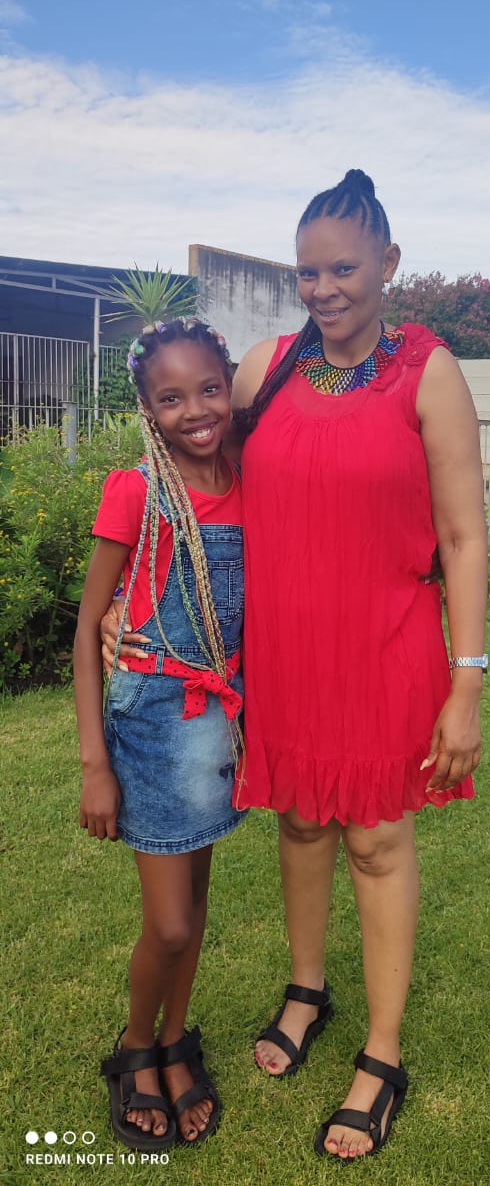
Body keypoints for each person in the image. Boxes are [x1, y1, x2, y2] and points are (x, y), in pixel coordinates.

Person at [103, 169, 488, 1161]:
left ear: (388, 263)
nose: (323, 288)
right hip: (283, 656)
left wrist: (467, 680)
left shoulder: (430, 372)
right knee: (304, 821)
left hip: (387, 650)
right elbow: (190, 473)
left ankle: (383, 1054)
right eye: (308, 271)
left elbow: (463, 537)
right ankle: (307, 988)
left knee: (378, 840)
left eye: (344, 268)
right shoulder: (266, 368)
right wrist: (122, 607)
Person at [74, 318, 246, 1152]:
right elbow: (88, 630)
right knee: (169, 923)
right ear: (147, 408)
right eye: (171, 398)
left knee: (198, 899)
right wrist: (93, 765)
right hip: (151, 723)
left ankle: (177, 1041)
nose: (196, 410)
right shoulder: (137, 492)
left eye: (210, 388)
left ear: (231, 385)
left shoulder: (247, 478)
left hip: (220, 721)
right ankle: (135, 1045)